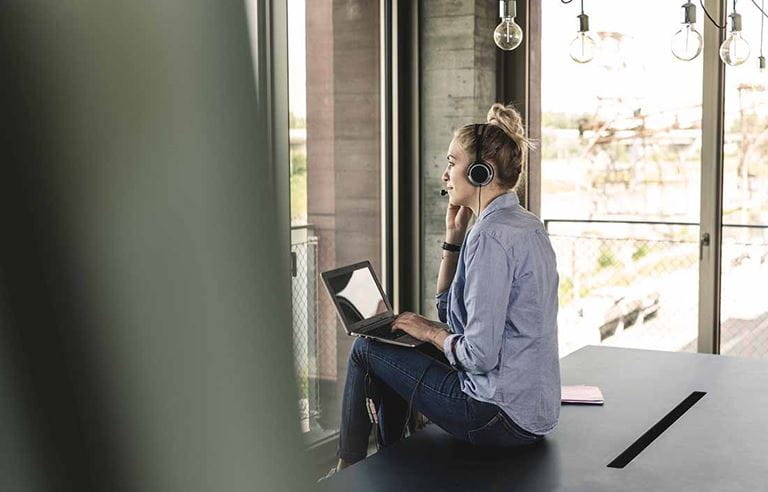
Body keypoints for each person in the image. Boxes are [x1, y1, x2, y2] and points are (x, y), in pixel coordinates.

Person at [322, 103, 561, 479]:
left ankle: (347, 468)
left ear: (481, 172)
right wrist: (453, 241)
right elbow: (453, 314)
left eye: (452, 162)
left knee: (366, 348)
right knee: (401, 342)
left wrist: (431, 332)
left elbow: (478, 355)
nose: (445, 174)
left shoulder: (492, 238)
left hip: (496, 417)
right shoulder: (524, 224)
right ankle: (391, 457)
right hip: (533, 412)